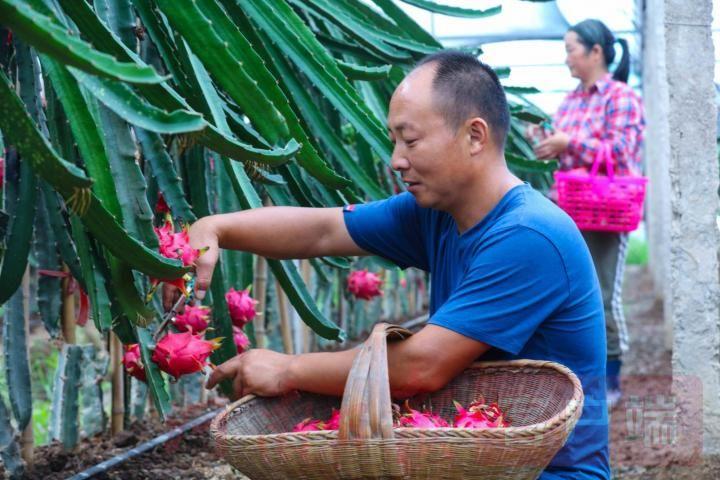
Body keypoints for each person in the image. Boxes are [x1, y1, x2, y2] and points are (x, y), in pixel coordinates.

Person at [180, 51, 610, 479]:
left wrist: (288, 370)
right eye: (394, 140)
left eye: (411, 139)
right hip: (468, 461)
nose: (396, 159)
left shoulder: (528, 236)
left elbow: (420, 367)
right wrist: (216, 228)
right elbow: (324, 230)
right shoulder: (437, 213)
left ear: (474, 136)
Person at [533, 19, 646, 409]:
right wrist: (548, 141)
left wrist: (570, 143)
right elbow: (567, 149)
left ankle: (611, 378)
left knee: (601, 292)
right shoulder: (570, 100)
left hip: (607, 210)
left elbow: (621, 150)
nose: (566, 58)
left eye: (571, 49)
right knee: (570, 293)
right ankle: (579, 374)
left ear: (595, 52)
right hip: (572, 207)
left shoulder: (621, 97)